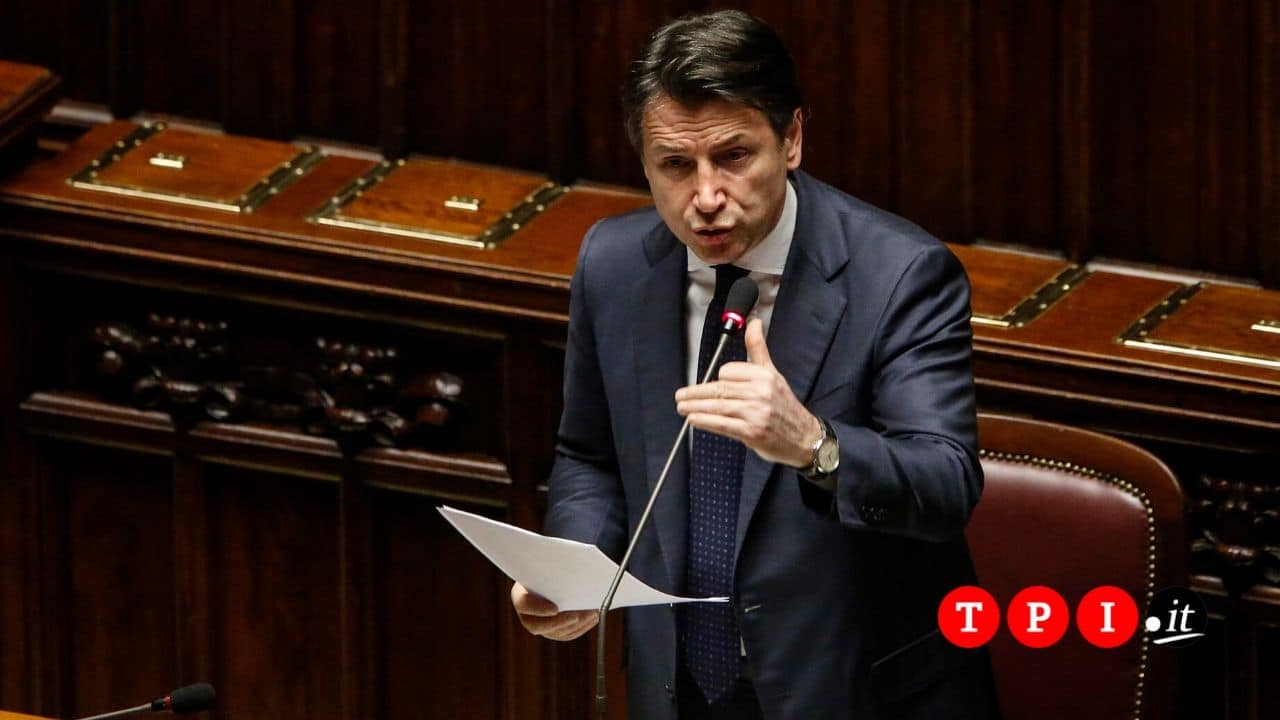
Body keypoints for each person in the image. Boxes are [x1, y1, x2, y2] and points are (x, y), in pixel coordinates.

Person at [511, 9, 999, 720]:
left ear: (791, 138)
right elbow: (590, 455)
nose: (706, 198)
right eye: (675, 166)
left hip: (848, 690)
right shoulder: (614, 265)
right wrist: (573, 568)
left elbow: (945, 485)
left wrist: (814, 445)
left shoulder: (899, 275)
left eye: (734, 157)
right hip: (678, 685)